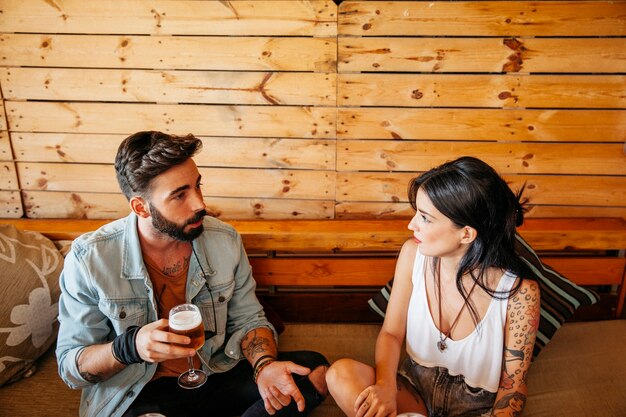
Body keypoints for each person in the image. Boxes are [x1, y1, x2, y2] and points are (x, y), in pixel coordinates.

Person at [56, 131, 329, 417]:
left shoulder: (223, 240)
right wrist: (130, 347)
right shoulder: (90, 259)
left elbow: (249, 319)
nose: (199, 203)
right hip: (139, 391)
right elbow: (71, 367)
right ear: (141, 207)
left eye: (197, 186)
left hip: (214, 374)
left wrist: (264, 367)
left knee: (315, 371)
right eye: (179, 195)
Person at [325, 156, 540, 417]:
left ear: (466, 234)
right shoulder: (412, 255)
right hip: (413, 388)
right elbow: (391, 333)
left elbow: (513, 386)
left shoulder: (520, 294)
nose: (411, 224)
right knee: (340, 374)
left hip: (474, 408)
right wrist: (385, 385)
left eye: (425, 218)